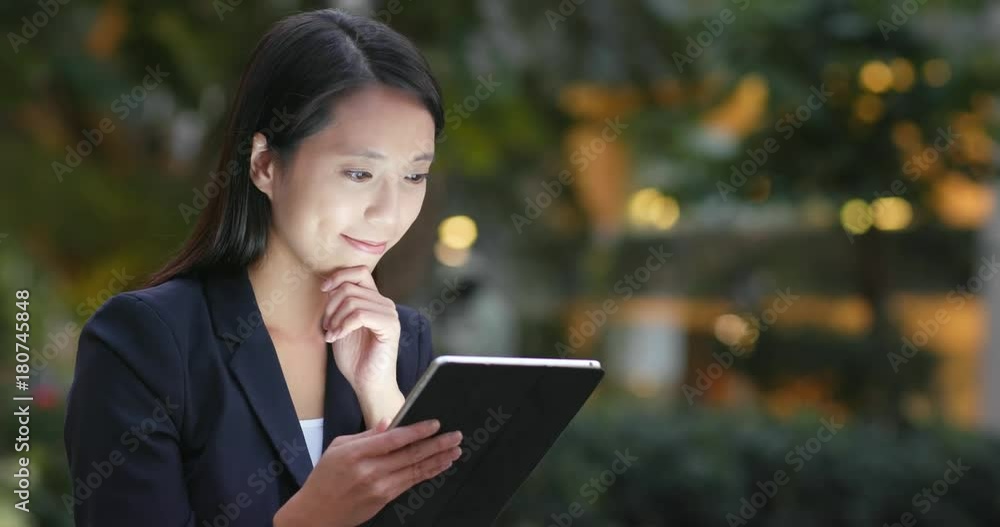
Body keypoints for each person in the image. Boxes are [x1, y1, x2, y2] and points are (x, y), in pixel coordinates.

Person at [62, 9, 462, 526]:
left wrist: (382, 399)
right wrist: (311, 517)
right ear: (265, 165)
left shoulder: (400, 341)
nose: (388, 212)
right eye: (359, 172)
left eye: (414, 176)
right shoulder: (145, 341)